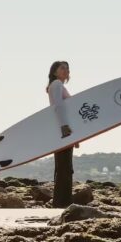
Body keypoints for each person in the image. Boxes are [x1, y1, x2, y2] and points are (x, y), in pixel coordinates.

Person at [48, 60, 75, 207]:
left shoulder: (57, 85)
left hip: (63, 130)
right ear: (55, 72)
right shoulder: (57, 84)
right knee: (65, 167)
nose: (66, 70)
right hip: (62, 130)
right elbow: (58, 106)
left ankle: (61, 202)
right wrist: (65, 127)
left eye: (67, 68)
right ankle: (62, 203)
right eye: (62, 68)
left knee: (64, 166)